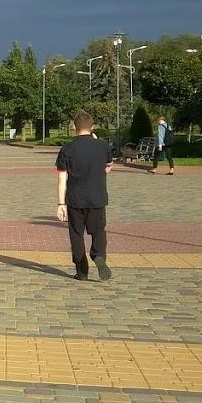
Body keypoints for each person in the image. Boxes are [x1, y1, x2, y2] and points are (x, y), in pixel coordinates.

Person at [55, 110, 113, 280]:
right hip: (97, 197)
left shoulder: (67, 149)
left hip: (75, 199)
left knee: (76, 234)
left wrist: (61, 204)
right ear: (92, 127)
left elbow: (62, 178)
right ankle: (98, 255)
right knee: (98, 231)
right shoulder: (103, 146)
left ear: (75, 128)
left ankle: (82, 271)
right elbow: (108, 167)